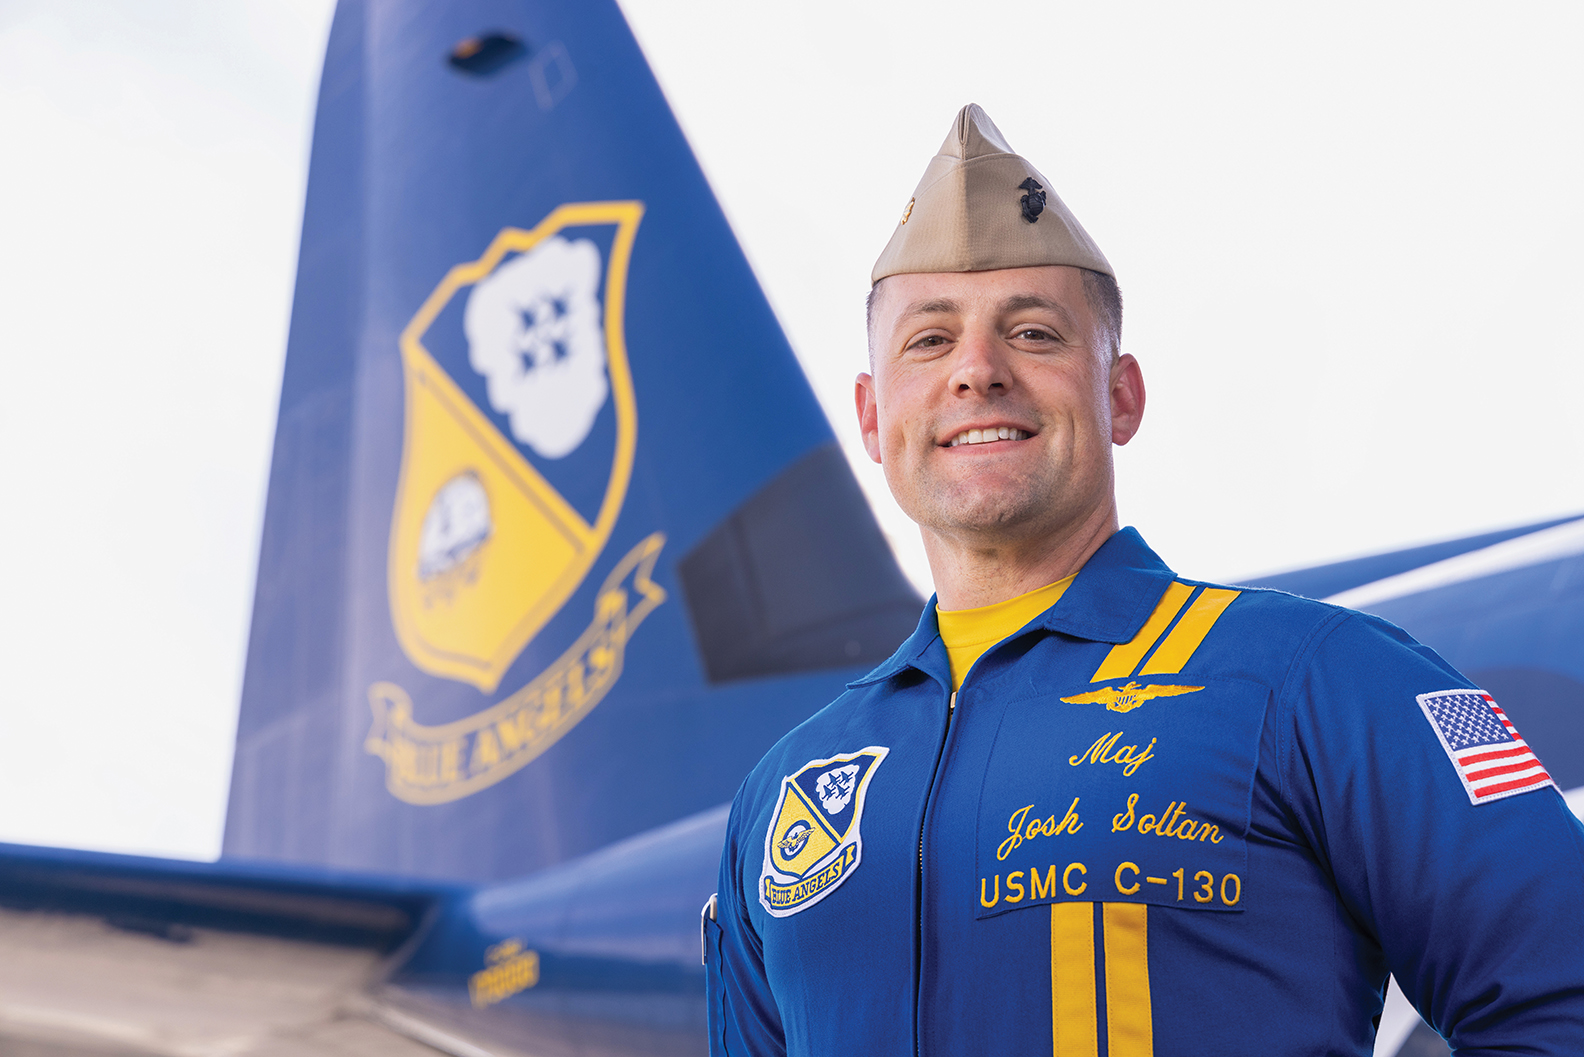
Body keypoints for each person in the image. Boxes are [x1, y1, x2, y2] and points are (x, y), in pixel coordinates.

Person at [702, 104, 1584, 1057]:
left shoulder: (1322, 685)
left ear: (1119, 395)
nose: (978, 372)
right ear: (875, 419)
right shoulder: (782, 795)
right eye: (929, 340)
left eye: (1033, 333)